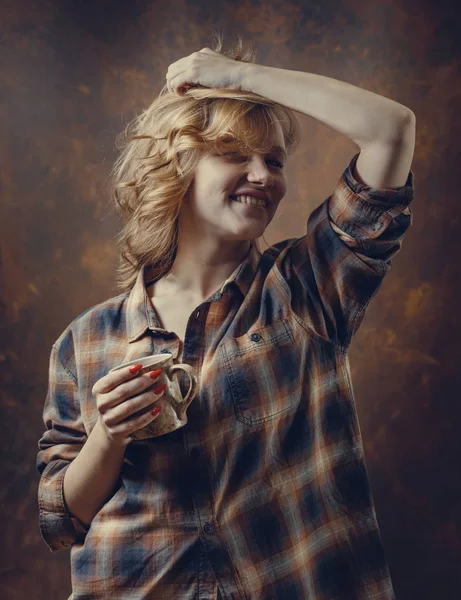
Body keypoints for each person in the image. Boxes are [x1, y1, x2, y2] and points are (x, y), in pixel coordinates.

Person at [37, 35, 415, 599]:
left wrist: (242, 79)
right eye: (236, 153)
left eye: (275, 161)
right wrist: (109, 435)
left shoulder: (308, 285)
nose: (263, 175)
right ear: (177, 165)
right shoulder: (85, 341)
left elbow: (392, 128)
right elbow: (61, 521)